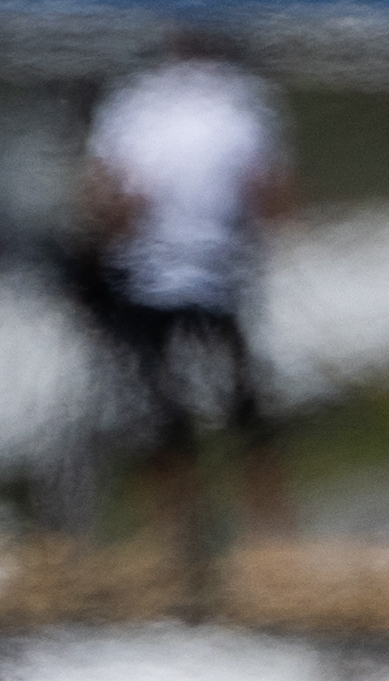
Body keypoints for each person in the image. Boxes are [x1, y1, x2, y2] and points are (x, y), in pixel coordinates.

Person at [76, 37, 291, 548]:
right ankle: (265, 530)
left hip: (155, 278)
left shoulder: (132, 104)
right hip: (213, 274)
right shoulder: (242, 102)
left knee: (162, 412)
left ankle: (178, 529)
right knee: (239, 410)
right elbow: (271, 192)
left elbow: (108, 196)